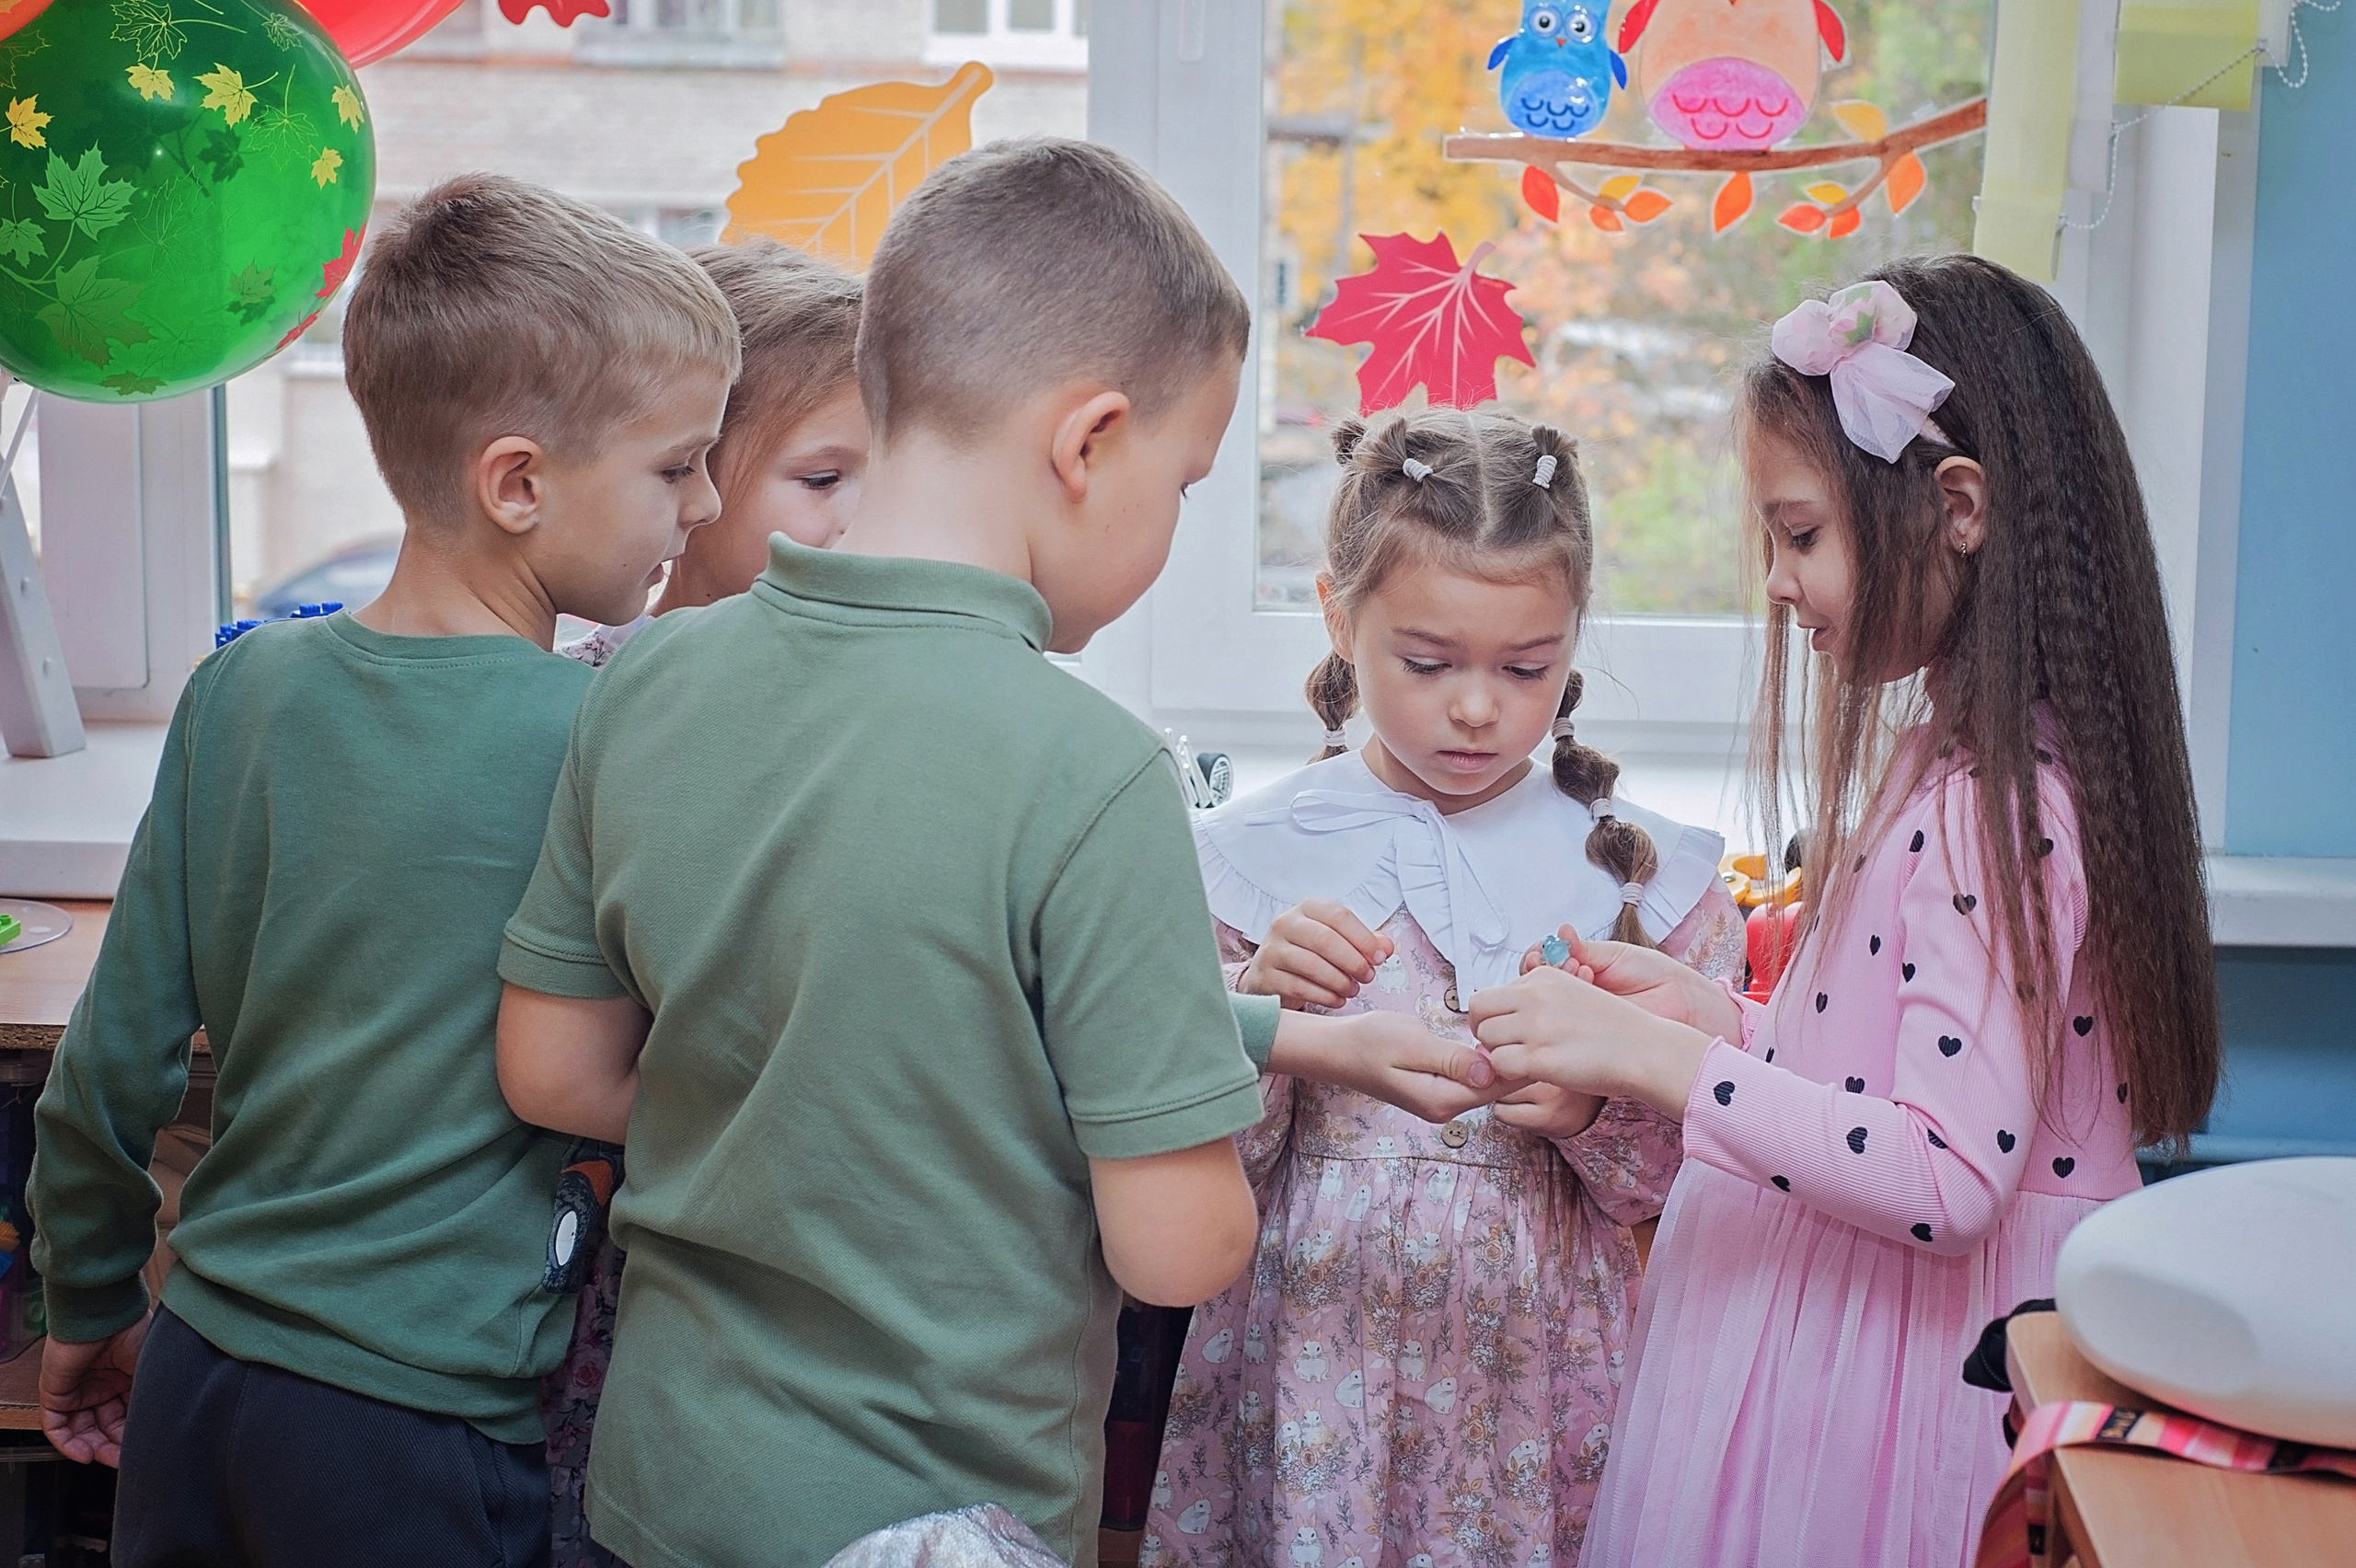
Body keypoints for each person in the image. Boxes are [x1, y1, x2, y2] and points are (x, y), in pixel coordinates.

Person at [491, 138, 1489, 1568]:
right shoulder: (1091, 777)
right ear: (1086, 445)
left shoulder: (650, 681)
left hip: (663, 1487)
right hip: (934, 1523)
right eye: (1187, 482)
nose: (1173, 522)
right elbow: (1176, 1246)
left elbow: (556, 1068)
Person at [26, 173, 739, 1565]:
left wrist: (88, 1300)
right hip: (411, 1426)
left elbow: (111, 1062)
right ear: (519, 483)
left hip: (197, 1369)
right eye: (676, 466)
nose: (706, 505)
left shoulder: (239, 694)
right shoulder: (610, 734)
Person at [1467, 258, 2221, 1567]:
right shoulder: (1949, 759)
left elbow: (1941, 1172)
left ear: (1959, 510)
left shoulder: (2007, 804)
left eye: (1800, 533)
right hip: (1865, 1327)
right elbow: (1882, 1062)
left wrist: (1664, 1062)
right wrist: (1714, 1013)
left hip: (1913, 1364)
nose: (1774, 580)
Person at [1145, 410, 1742, 1568]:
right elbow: (1191, 1164)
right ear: (1338, 617)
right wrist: (1264, 1016)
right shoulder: (1243, 862)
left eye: (1527, 667)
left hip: (1537, 1371)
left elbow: (1683, 1181)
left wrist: (1588, 1110)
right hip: (1308, 1364)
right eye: (1427, 664)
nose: (1477, 708)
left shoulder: (1644, 880)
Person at [542, 235, 865, 1568]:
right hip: (652, 1245)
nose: (866, 519)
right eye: (826, 477)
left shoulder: (876, 702)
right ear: (694, 480)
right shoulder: (618, 694)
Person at [560, 237, 867, 671]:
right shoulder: (587, 698)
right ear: (686, 471)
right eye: (822, 479)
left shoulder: (882, 678)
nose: (870, 514)